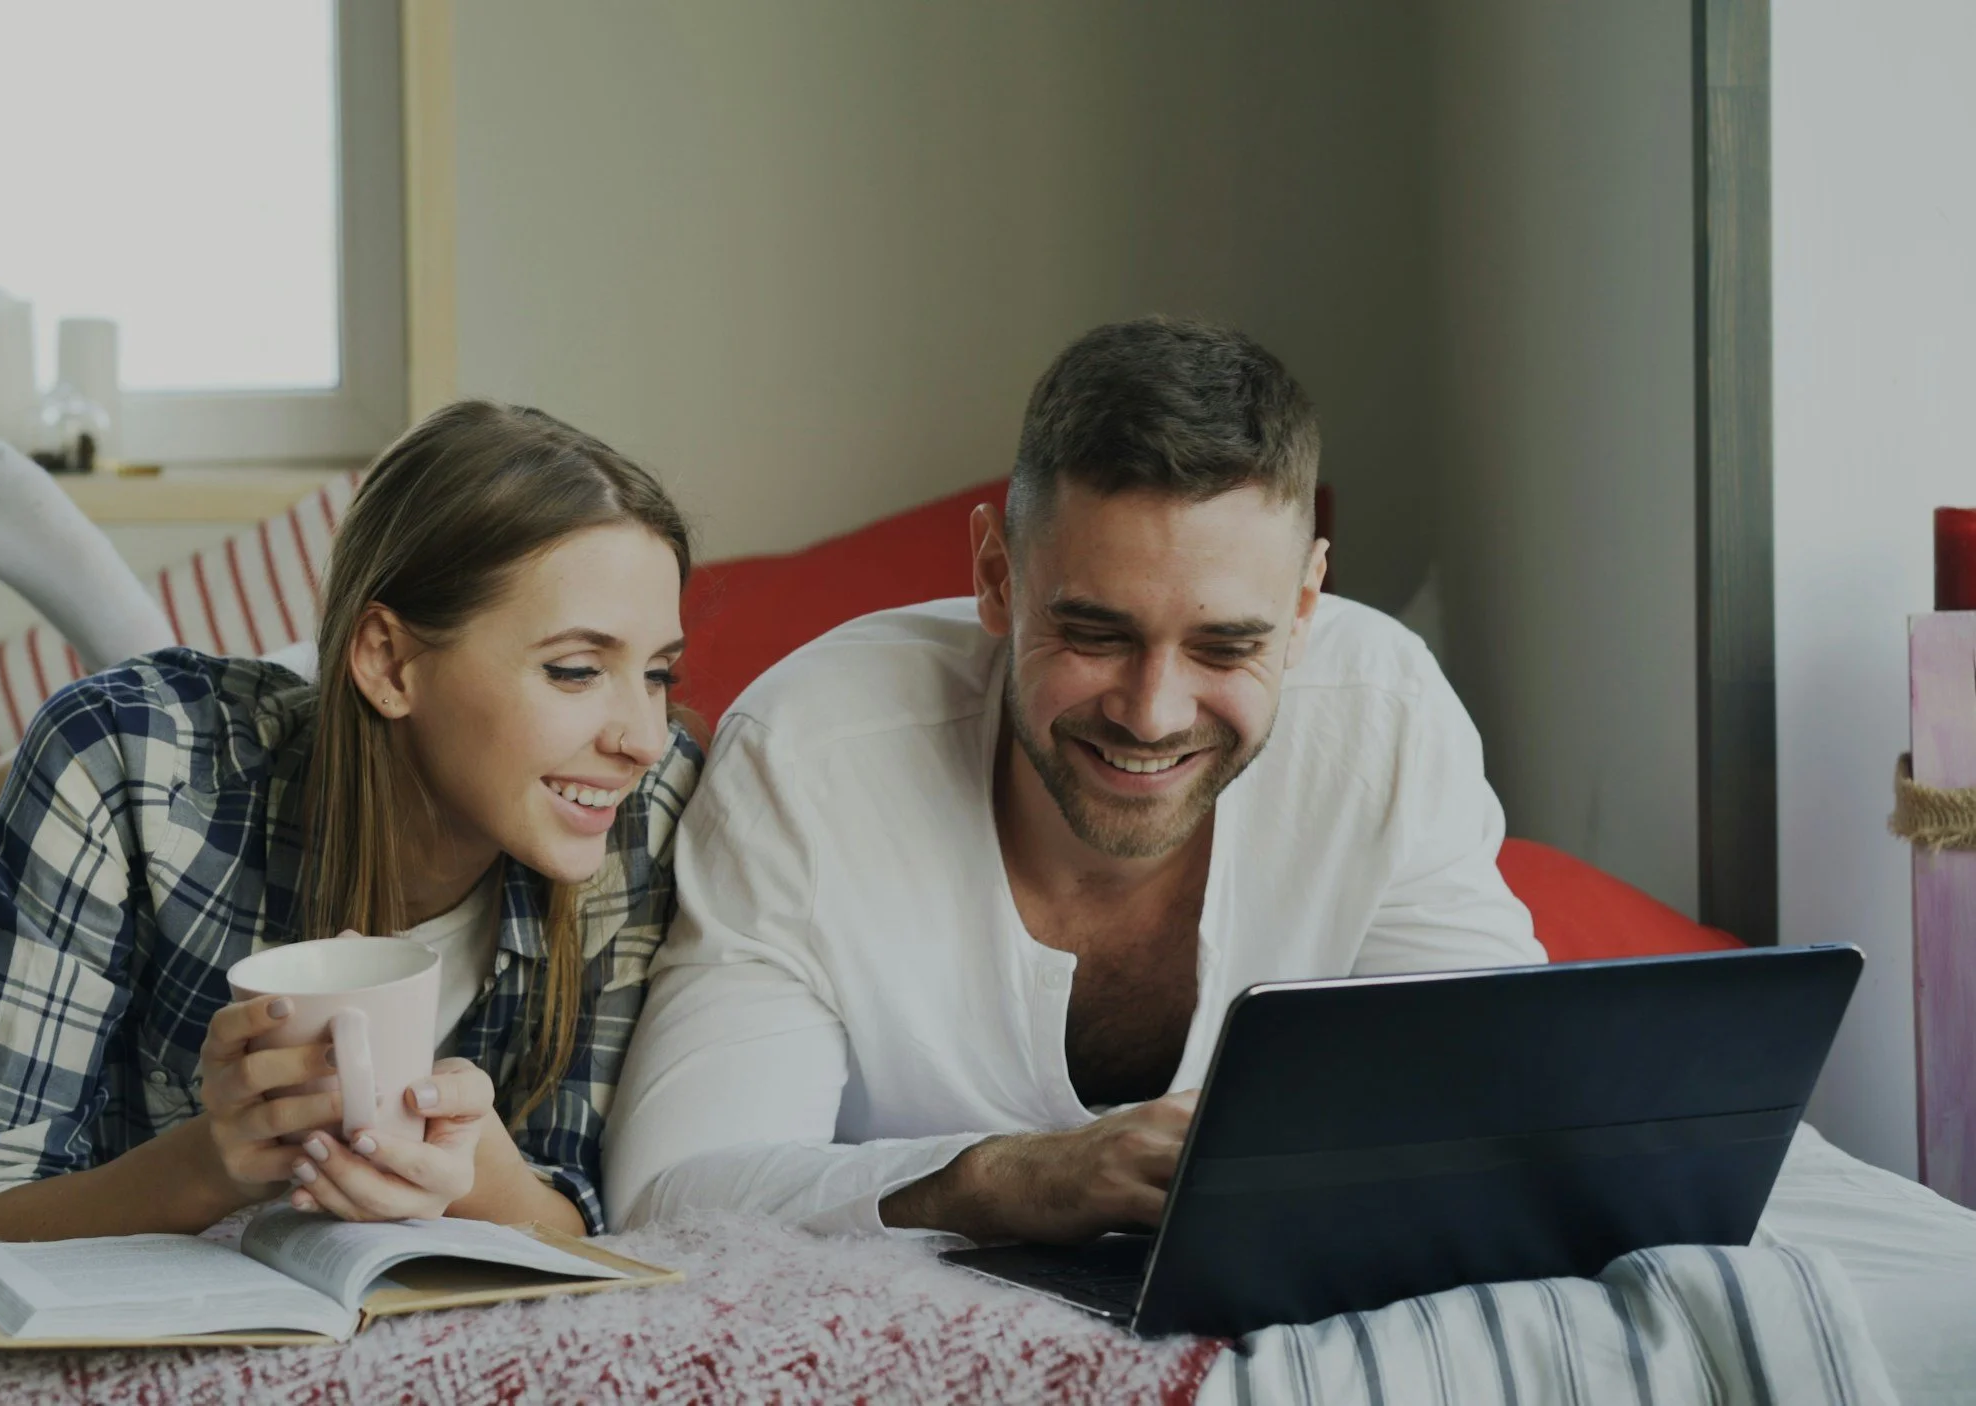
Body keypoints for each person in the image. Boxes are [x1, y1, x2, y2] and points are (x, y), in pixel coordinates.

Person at [602, 317, 1541, 1241]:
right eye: (1097, 634)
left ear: (1303, 606)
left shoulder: (1387, 716)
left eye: (1226, 646)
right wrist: (1001, 1182)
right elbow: (676, 1197)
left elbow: (1507, 1113)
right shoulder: (809, 751)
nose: (1154, 713)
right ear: (996, 575)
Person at [0, 403, 702, 1254]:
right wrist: (206, 1163)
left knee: (142, 758)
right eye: (576, 668)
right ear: (390, 663)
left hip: (173, 819)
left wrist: (486, 1177)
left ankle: (97, 737)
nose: (643, 735)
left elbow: (578, 1197)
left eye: (658, 671)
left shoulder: (639, 814)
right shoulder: (115, 752)